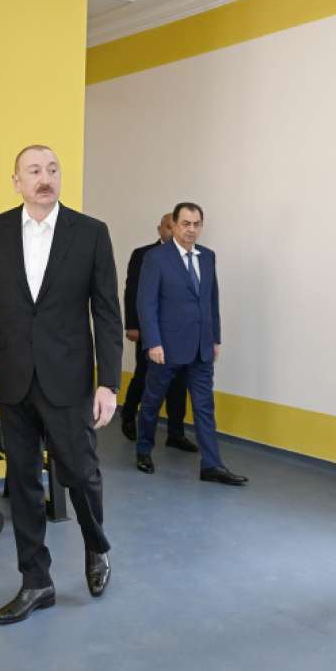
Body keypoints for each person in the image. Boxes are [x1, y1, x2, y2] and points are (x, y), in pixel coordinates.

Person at [0, 144, 123, 625]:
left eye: (51, 169)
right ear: (17, 182)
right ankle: (36, 581)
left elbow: (107, 313)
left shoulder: (90, 233)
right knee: (24, 482)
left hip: (69, 377)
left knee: (80, 474)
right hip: (13, 377)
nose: (44, 178)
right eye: (33, 171)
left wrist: (108, 383)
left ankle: (96, 545)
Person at [135, 202, 248, 485]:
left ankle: (212, 465)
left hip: (201, 347)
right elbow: (146, 303)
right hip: (166, 347)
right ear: (174, 225)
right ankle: (143, 450)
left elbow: (211, 300)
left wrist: (215, 338)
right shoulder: (156, 258)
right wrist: (153, 342)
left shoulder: (208, 257)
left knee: (204, 406)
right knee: (152, 401)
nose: (191, 229)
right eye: (185, 223)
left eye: (196, 224)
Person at [120, 213, 196, 452]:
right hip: (150, 330)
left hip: (179, 333)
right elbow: (133, 291)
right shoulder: (143, 254)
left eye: (176, 226)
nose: (172, 230)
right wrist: (133, 325)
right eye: (168, 226)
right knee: (144, 376)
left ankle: (176, 433)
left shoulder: (189, 256)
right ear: (159, 229)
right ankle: (128, 415)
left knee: (179, 383)